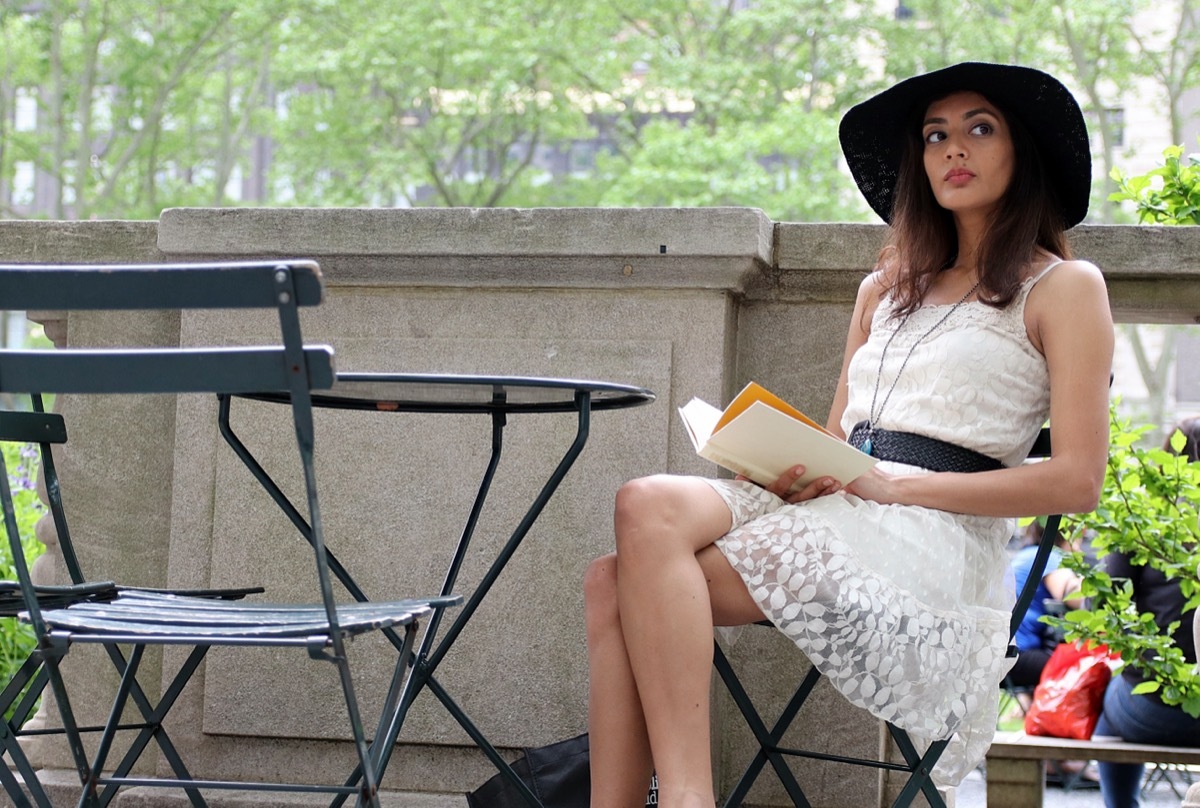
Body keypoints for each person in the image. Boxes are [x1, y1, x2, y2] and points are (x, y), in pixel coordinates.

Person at [583, 61, 1113, 808]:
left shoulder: (1063, 287)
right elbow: (837, 435)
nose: (953, 149)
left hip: (932, 540)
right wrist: (788, 466)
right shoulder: (884, 289)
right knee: (642, 505)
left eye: (979, 129)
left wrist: (894, 485)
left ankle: (684, 799)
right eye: (936, 135)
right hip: (838, 504)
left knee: (617, 585)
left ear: (1021, 151)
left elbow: (1076, 482)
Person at [1093, 417, 1200, 808]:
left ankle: (1121, 805)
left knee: (1111, 704)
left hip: (1155, 709)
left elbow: (1104, 608)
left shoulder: (1143, 523)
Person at [1008, 520, 1084, 689]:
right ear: (1067, 537)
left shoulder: (1025, 555)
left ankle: (1027, 707)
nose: (1079, 548)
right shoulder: (1048, 557)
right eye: (1079, 539)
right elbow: (1072, 595)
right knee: (1088, 668)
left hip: (1002, 654)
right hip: (1018, 657)